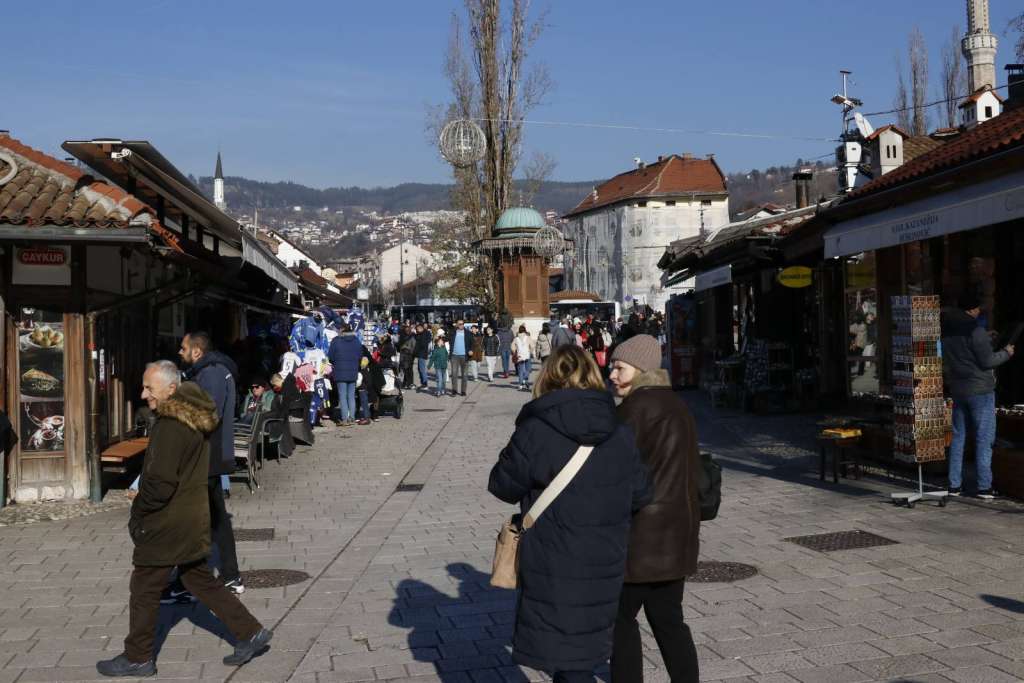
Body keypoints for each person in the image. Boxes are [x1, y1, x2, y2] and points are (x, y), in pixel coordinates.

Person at [97, 362, 271, 677]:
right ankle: (250, 631)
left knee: (145, 586)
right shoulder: (192, 417)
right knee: (197, 578)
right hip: (190, 515)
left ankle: (138, 656)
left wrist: (140, 511)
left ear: (171, 389)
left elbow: (160, 481)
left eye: (149, 388)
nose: (143, 394)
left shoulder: (171, 423)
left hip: (168, 521)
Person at [488, 345, 651, 682]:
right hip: (605, 558)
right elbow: (640, 493)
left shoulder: (534, 431)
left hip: (552, 558)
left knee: (568, 658)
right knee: (582, 653)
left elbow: (502, 486)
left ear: (547, 378)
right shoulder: (620, 432)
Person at [607, 334, 701, 681]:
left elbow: (615, 476)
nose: (612, 375)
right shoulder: (677, 405)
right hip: (677, 535)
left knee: (619, 620)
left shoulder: (632, 411)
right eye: (612, 367)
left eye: (619, 368)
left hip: (640, 540)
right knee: (669, 620)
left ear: (642, 369)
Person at [179, 332, 244, 596]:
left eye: (183, 347)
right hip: (209, 454)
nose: (179, 351)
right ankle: (228, 575)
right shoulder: (208, 371)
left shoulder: (212, 373)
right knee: (213, 518)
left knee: (195, 519)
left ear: (196, 351)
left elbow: (207, 415)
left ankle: (190, 582)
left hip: (207, 454)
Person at [942, 293, 1015, 498]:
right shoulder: (975, 330)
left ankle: (954, 485)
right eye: (978, 310)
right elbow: (988, 361)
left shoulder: (947, 329)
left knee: (957, 437)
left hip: (958, 389)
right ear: (973, 310)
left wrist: (986, 337)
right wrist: (1007, 353)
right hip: (980, 391)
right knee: (984, 438)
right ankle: (984, 486)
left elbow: (965, 352)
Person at [327, 324, 364, 427]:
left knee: (342, 396)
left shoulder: (336, 341)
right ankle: (352, 418)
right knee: (351, 395)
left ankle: (345, 419)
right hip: (353, 372)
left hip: (340, 372)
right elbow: (360, 355)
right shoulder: (356, 341)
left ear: (342, 330)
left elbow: (330, 357)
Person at [448, 319, 473, 396]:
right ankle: (454, 390)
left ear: (464, 324)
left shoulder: (468, 333)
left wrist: (471, 350)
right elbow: (447, 339)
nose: (461, 325)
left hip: (464, 356)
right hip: (454, 356)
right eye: (459, 324)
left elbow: (472, 343)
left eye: (462, 324)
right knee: (454, 374)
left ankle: (463, 391)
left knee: (464, 375)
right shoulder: (452, 332)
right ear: (456, 325)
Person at [427, 332, 450, 398]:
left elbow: (446, 355)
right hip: (438, 367)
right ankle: (438, 391)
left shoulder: (444, 349)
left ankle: (443, 389)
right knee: (439, 379)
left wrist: (448, 359)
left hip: (444, 366)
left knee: (444, 380)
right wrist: (429, 365)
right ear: (437, 343)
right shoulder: (435, 350)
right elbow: (432, 358)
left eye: (441, 342)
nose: (440, 343)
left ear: (443, 343)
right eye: (439, 342)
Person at [513, 325, 535, 392]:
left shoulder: (516, 339)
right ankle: (525, 380)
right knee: (528, 369)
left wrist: (515, 352)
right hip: (527, 356)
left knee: (520, 371)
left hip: (519, 356)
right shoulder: (528, 338)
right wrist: (530, 352)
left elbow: (512, 347)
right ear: (525, 330)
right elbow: (532, 346)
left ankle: (520, 384)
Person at [414, 323, 432, 389]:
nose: (417, 330)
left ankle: (425, 383)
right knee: (419, 369)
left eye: (418, 329)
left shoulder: (425, 333)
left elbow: (423, 343)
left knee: (422, 369)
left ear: (421, 328)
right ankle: (422, 382)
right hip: (420, 353)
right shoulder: (419, 334)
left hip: (422, 353)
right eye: (416, 329)